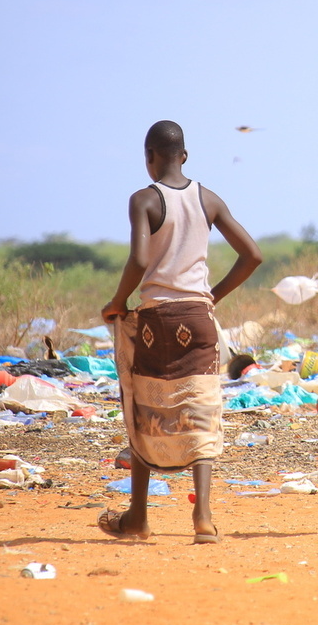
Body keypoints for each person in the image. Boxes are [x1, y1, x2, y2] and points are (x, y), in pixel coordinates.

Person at [100, 120, 262, 544]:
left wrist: (118, 303)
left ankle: (137, 517)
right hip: (199, 319)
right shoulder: (208, 199)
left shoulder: (143, 200)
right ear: (185, 156)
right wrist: (212, 296)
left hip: (158, 321)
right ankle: (203, 517)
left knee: (143, 407)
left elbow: (138, 259)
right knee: (201, 410)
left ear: (149, 157)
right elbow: (252, 255)